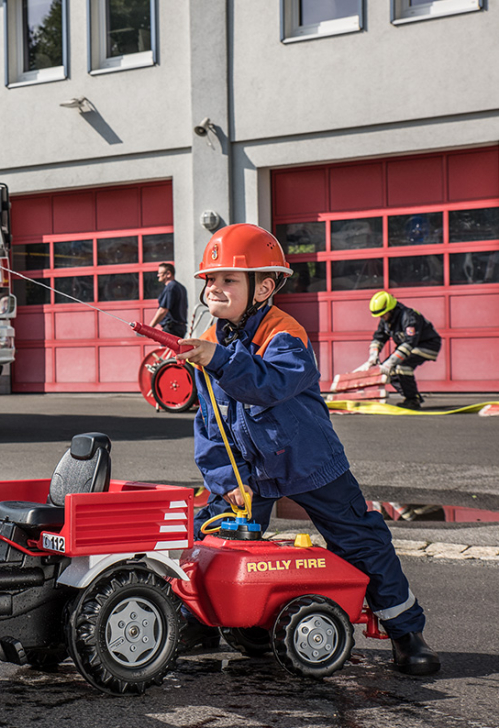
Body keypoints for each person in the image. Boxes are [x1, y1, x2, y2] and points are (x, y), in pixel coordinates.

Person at [174, 223, 440, 676]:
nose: (214, 288)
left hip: (309, 461)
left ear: (264, 286)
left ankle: (405, 632)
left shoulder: (285, 334)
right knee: (208, 538)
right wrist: (223, 479)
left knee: (362, 541)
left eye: (228, 280)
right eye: (210, 280)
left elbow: (270, 384)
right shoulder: (212, 343)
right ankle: (199, 621)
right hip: (250, 472)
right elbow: (210, 423)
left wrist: (216, 358)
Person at [355, 291, 441, 410]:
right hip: (410, 346)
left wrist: (390, 362)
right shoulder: (386, 320)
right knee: (389, 370)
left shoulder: (409, 316)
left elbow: (410, 343)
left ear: (390, 309)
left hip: (427, 345)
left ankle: (412, 400)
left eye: (383, 314)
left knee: (401, 367)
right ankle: (411, 397)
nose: (382, 317)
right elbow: (379, 337)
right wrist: (373, 355)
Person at [148, 263, 189, 338]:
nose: (158, 275)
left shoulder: (170, 288)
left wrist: (150, 328)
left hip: (171, 329)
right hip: (181, 328)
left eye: (159, 273)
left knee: (164, 349)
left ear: (168, 274)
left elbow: (163, 310)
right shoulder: (181, 287)